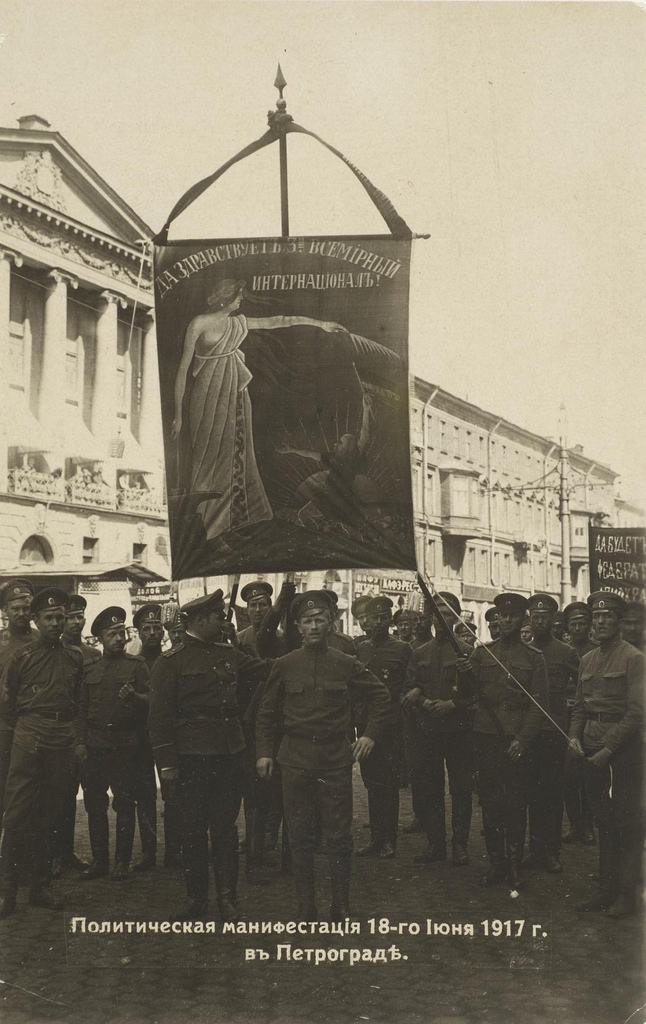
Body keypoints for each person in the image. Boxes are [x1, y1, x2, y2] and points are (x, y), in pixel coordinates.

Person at [171, 278, 346, 540]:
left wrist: (320, 324)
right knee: (207, 454)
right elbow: (183, 368)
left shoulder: (238, 322)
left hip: (235, 391)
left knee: (236, 452)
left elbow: (280, 321)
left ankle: (234, 520)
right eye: (238, 296)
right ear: (225, 297)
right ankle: (207, 523)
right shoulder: (199, 323)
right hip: (205, 394)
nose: (241, 301)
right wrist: (178, 414)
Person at [256, 590, 389, 922]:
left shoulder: (346, 664)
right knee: (299, 835)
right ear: (298, 627)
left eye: (319, 620)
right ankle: (305, 905)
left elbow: (382, 697)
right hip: (295, 759)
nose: (313, 627)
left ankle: (340, 904)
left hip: (333, 760)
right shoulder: (284, 665)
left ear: (331, 624)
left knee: (338, 835)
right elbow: (266, 714)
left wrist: (371, 734)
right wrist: (263, 753)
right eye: (307, 621)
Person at [148, 590, 270, 922]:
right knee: (192, 830)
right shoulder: (170, 662)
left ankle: (227, 899)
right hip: (190, 758)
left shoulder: (229, 654)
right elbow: (158, 719)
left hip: (229, 756)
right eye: (219, 617)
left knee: (226, 828)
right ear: (201, 620)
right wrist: (168, 765)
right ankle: (196, 898)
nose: (225, 621)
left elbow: (266, 669)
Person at [456, 592, 549, 890]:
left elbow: (539, 705)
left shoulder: (534, 658)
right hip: (486, 739)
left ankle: (514, 864)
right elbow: (464, 697)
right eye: (502, 616)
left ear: (524, 619)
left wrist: (523, 740)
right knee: (491, 801)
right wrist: (465, 676)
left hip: (516, 740)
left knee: (516, 802)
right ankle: (496, 862)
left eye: (513, 616)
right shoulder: (482, 654)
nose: (506, 620)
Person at [0, 588, 84, 918]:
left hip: (61, 740)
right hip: (29, 738)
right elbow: (8, 706)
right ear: (36, 620)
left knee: (51, 815)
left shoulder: (74, 656)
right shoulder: (21, 658)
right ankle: (7, 891)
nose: (54, 623)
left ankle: (40, 887)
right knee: (18, 813)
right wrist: (28, 728)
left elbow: (77, 700)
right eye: (48, 618)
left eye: (59, 618)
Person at [569, 592, 645, 919]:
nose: (600, 622)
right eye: (595, 617)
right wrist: (573, 736)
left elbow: (637, 713)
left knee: (626, 823)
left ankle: (627, 896)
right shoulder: (587, 659)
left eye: (606, 617)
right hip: (590, 751)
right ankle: (606, 890)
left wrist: (608, 749)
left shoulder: (634, 658)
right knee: (603, 822)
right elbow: (580, 707)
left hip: (622, 753)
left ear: (618, 622)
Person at [78, 607, 150, 881]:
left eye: (122, 632)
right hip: (95, 746)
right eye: (112, 634)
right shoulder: (89, 668)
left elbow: (153, 701)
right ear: (100, 639)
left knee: (124, 804)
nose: (119, 638)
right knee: (95, 805)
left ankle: (121, 862)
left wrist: (135, 697)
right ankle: (100, 861)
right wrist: (80, 743)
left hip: (125, 746)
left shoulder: (137, 665)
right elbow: (81, 709)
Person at [403, 592, 474, 867]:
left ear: (455, 618)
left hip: (459, 730)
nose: (441, 619)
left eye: (447, 614)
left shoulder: (467, 652)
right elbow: (407, 687)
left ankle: (460, 845)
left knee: (461, 789)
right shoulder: (420, 652)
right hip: (428, 729)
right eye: (438, 613)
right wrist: (422, 700)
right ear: (431, 618)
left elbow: (477, 695)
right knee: (430, 788)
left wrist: (452, 704)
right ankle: (436, 844)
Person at [523, 594, 579, 874]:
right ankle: (535, 850)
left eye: (545, 617)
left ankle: (552, 852)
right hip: (529, 733)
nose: (540, 622)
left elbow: (581, 686)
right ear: (530, 620)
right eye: (536, 617)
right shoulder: (523, 650)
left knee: (553, 795)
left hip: (555, 731)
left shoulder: (565, 652)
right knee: (531, 793)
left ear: (554, 621)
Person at [354, 595, 411, 859]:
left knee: (388, 784)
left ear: (390, 620)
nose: (377, 623)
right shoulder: (360, 649)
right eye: (372, 618)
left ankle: (389, 840)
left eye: (382, 618)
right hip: (365, 726)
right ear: (365, 620)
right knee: (371, 782)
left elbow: (408, 685)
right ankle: (376, 838)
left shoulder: (401, 649)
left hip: (389, 726)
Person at [51, 594, 100, 877]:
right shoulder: (52, 652)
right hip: (58, 735)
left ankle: (73, 852)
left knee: (84, 796)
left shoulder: (92, 655)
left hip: (85, 736)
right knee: (58, 797)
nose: (75, 622)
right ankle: (55, 853)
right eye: (69, 617)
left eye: (79, 616)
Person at [132, 603, 182, 871]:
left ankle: (173, 852)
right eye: (146, 629)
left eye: (156, 628)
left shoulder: (171, 660)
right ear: (138, 633)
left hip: (167, 739)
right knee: (145, 795)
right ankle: (148, 853)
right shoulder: (132, 664)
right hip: (139, 740)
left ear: (163, 632)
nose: (152, 632)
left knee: (172, 794)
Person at [0, 578, 37, 830]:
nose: (22, 613)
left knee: (33, 789)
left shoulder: (41, 638)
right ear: (5, 611)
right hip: (3, 728)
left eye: (26, 608)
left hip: (34, 727)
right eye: (16, 609)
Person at [562, 601, 597, 845]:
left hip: (589, 720)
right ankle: (575, 824)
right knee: (568, 776)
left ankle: (588, 826)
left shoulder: (596, 650)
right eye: (573, 623)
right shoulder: (563, 651)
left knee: (588, 777)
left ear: (589, 624)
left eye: (581, 623)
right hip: (565, 720)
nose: (577, 628)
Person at [237, 581, 274, 655]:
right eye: (253, 605)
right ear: (247, 610)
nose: (258, 610)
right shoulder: (240, 638)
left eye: (262, 604)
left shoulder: (280, 637)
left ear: (270, 608)